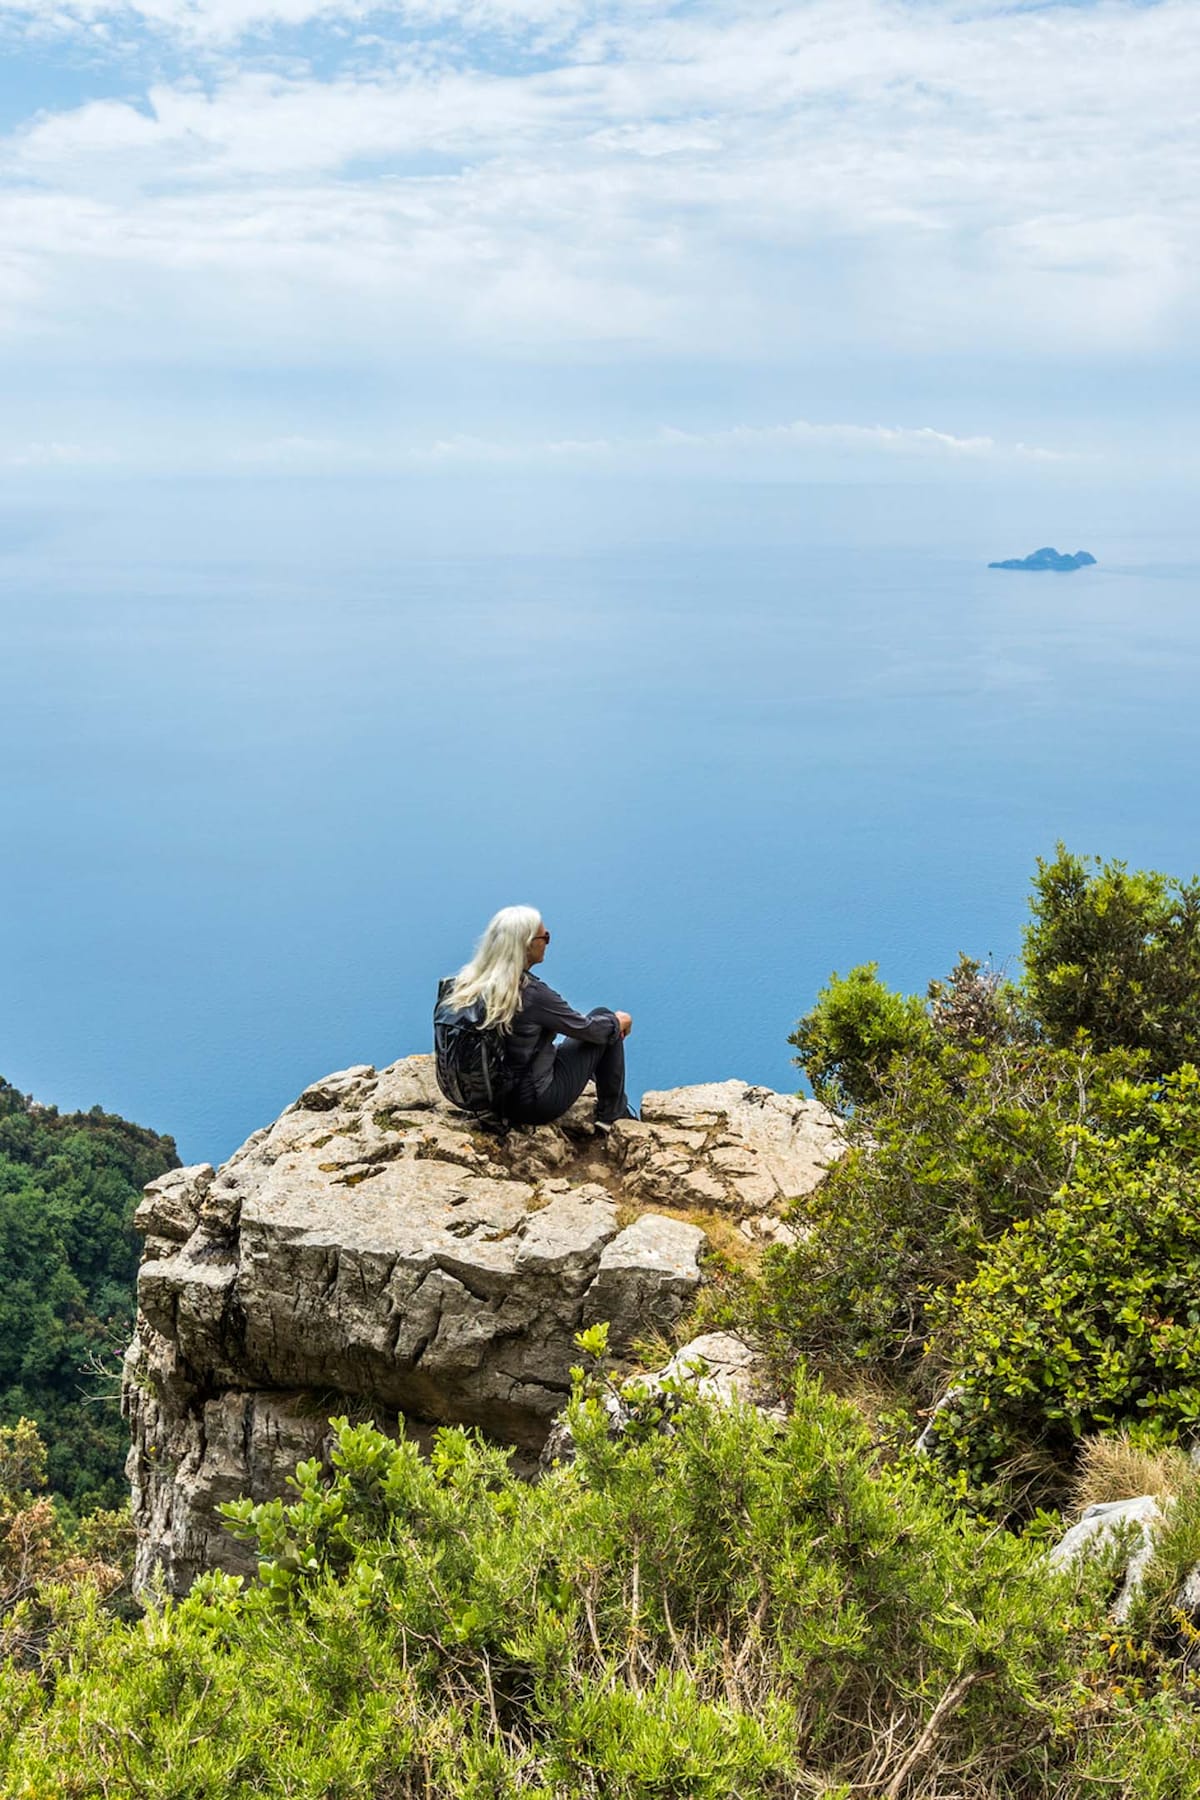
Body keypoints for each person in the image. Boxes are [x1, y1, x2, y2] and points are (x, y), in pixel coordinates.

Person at [445, 905, 637, 1130]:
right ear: (526, 944)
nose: (547, 941)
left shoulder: (468, 984)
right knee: (604, 1018)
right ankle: (612, 1116)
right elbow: (589, 1031)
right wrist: (620, 1022)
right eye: (545, 936)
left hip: (491, 1100)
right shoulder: (531, 993)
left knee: (602, 1024)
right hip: (535, 1104)